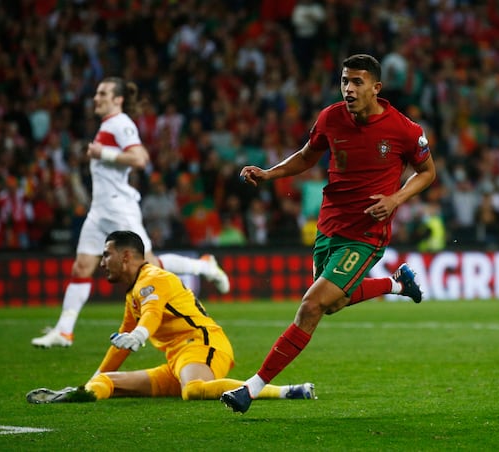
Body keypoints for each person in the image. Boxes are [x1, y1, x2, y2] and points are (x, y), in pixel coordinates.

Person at [220, 54, 436, 414]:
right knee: (333, 303)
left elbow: (427, 172)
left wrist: (396, 198)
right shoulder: (330, 117)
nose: (348, 89)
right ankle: (397, 285)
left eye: (357, 82)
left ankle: (251, 388)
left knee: (312, 305)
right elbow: (308, 155)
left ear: (376, 88)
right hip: (329, 225)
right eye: (344, 81)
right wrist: (270, 174)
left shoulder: (404, 129)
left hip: (367, 233)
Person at [32, 77, 231, 349]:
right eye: (96, 93)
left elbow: (140, 158)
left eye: (103, 93)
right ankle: (64, 331)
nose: (96, 98)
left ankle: (204, 266)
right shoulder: (107, 126)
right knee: (82, 267)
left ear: (118, 99)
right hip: (99, 209)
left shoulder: (121, 124)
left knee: (149, 265)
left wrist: (104, 153)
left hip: (118, 208)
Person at [26, 231, 315, 403]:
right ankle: (82, 395)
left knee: (193, 391)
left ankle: (286, 391)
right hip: (176, 360)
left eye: (106, 255)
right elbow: (121, 341)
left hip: (204, 345)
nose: (102, 262)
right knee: (110, 382)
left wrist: (139, 335)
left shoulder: (154, 278)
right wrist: (90, 382)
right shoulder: (133, 294)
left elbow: (150, 315)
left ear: (126, 256)